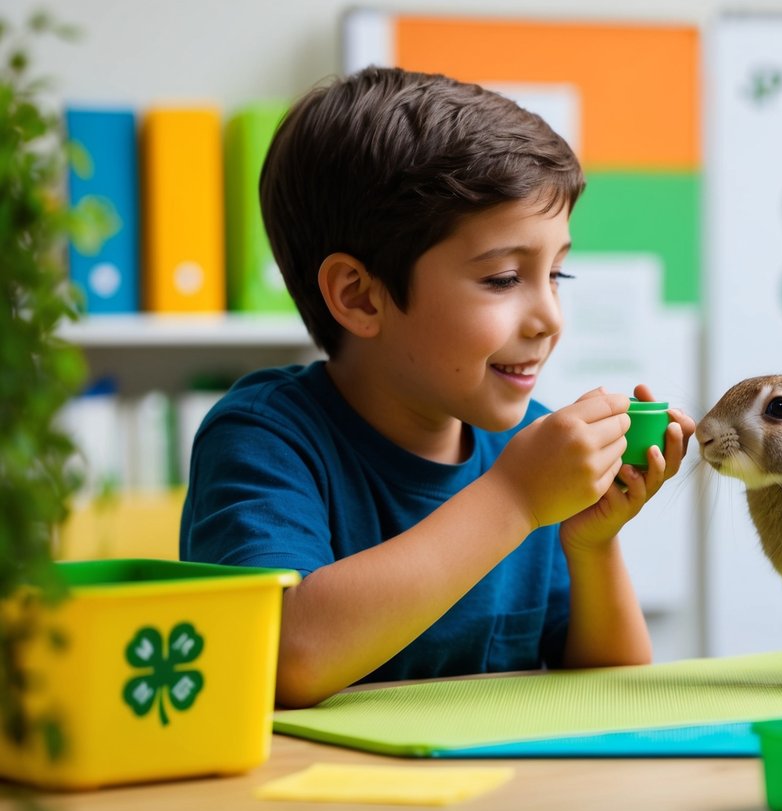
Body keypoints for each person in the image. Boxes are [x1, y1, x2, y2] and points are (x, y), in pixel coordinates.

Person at [179, 67, 695, 708]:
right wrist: (513, 499)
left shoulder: (533, 452)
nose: (550, 318)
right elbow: (285, 657)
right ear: (359, 296)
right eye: (505, 278)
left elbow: (610, 693)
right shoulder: (264, 436)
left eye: (559, 274)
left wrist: (590, 542)